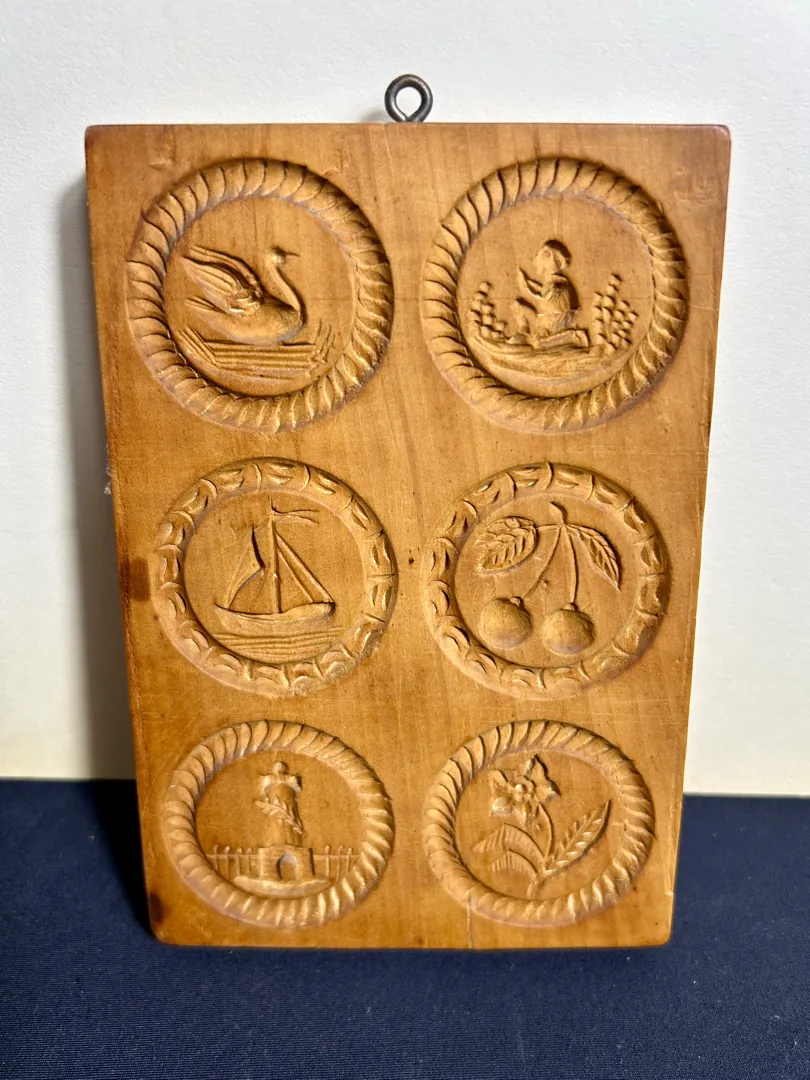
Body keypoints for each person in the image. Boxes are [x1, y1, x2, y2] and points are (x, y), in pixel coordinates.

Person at [512, 239, 581, 344]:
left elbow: (543, 297)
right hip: (551, 321)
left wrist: (525, 287)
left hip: (550, 325)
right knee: (519, 306)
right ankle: (524, 335)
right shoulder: (561, 281)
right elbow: (544, 291)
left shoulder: (555, 283)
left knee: (517, 306)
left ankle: (525, 334)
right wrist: (528, 282)